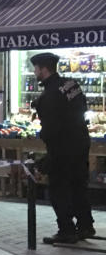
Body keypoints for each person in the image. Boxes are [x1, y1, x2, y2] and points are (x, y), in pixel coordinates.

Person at [30, 52, 95, 244]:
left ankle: (66, 229)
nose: (35, 72)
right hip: (81, 143)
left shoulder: (49, 95)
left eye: (36, 68)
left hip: (62, 148)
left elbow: (51, 129)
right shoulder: (70, 84)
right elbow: (82, 107)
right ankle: (85, 225)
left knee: (58, 188)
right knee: (78, 185)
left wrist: (48, 155)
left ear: (43, 69)